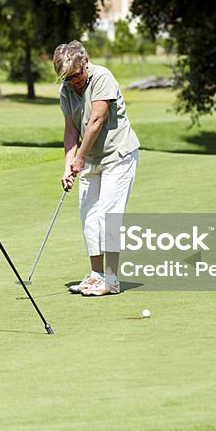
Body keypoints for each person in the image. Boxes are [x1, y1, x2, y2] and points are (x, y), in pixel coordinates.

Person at [54, 40, 140, 296]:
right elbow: (71, 130)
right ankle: (96, 275)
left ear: (85, 62)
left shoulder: (102, 77)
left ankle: (111, 280)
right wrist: (68, 166)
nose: (74, 82)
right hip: (91, 158)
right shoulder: (66, 90)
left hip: (119, 154)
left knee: (108, 214)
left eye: (77, 75)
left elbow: (96, 120)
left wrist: (80, 158)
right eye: (68, 79)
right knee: (89, 214)